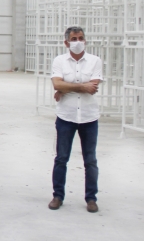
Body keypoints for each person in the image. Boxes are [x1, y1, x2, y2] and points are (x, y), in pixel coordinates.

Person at [48, 26, 102, 213]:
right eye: (74, 39)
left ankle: (91, 198)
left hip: (89, 117)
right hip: (66, 116)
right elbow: (56, 83)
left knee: (90, 160)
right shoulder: (59, 61)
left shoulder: (95, 61)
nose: (77, 42)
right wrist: (77, 87)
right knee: (61, 158)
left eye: (80, 38)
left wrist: (65, 88)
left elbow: (93, 87)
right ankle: (58, 196)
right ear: (66, 42)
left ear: (85, 40)